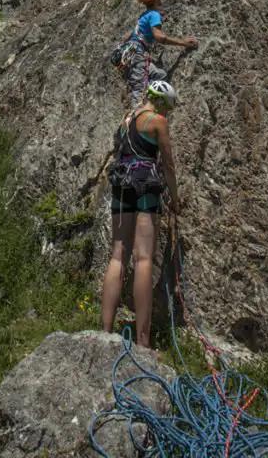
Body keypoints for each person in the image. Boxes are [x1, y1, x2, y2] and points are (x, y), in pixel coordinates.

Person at [101, 80, 180, 348]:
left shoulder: (126, 119)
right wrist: (176, 198)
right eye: (167, 109)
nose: (167, 114)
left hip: (121, 185)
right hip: (146, 185)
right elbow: (167, 163)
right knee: (143, 259)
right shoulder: (157, 121)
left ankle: (105, 331)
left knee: (117, 255)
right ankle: (143, 343)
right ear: (161, 103)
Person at [115, 0, 198, 105]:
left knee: (160, 75)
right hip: (138, 54)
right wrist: (184, 42)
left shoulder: (143, 16)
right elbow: (160, 37)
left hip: (131, 54)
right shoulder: (154, 15)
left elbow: (129, 36)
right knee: (139, 92)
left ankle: (151, 104)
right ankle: (138, 119)